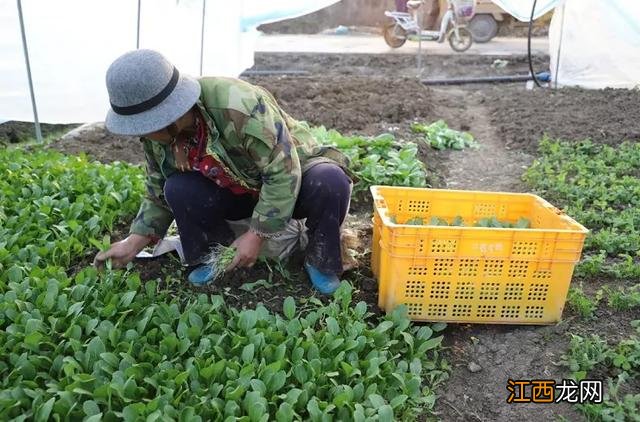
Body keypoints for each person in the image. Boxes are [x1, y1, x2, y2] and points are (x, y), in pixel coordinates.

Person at [93, 49, 352, 295]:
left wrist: (257, 234)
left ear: (169, 116)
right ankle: (214, 255)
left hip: (293, 182)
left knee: (329, 180)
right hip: (233, 190)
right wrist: (135, 241)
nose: (142, 134)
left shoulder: (239, 105)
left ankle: (321, 258)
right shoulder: (158, 137)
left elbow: (282, 173)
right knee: (177, 187)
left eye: (144, 126)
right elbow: (157, 188)